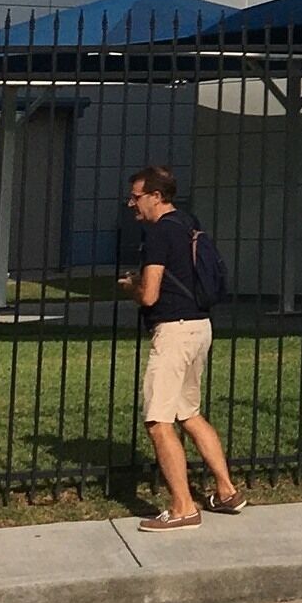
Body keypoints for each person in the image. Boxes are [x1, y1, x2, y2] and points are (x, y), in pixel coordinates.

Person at [125, 166, 243, 527]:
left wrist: (130, 286)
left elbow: (150, 294)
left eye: (137, 196)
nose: (132, 204)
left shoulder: (159, 233)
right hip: (200, 326)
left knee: (158, 422)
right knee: (188, 413)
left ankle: (182, 507)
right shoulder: (189, 223)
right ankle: (226, 491)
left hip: (173, 332)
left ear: (156, 196)